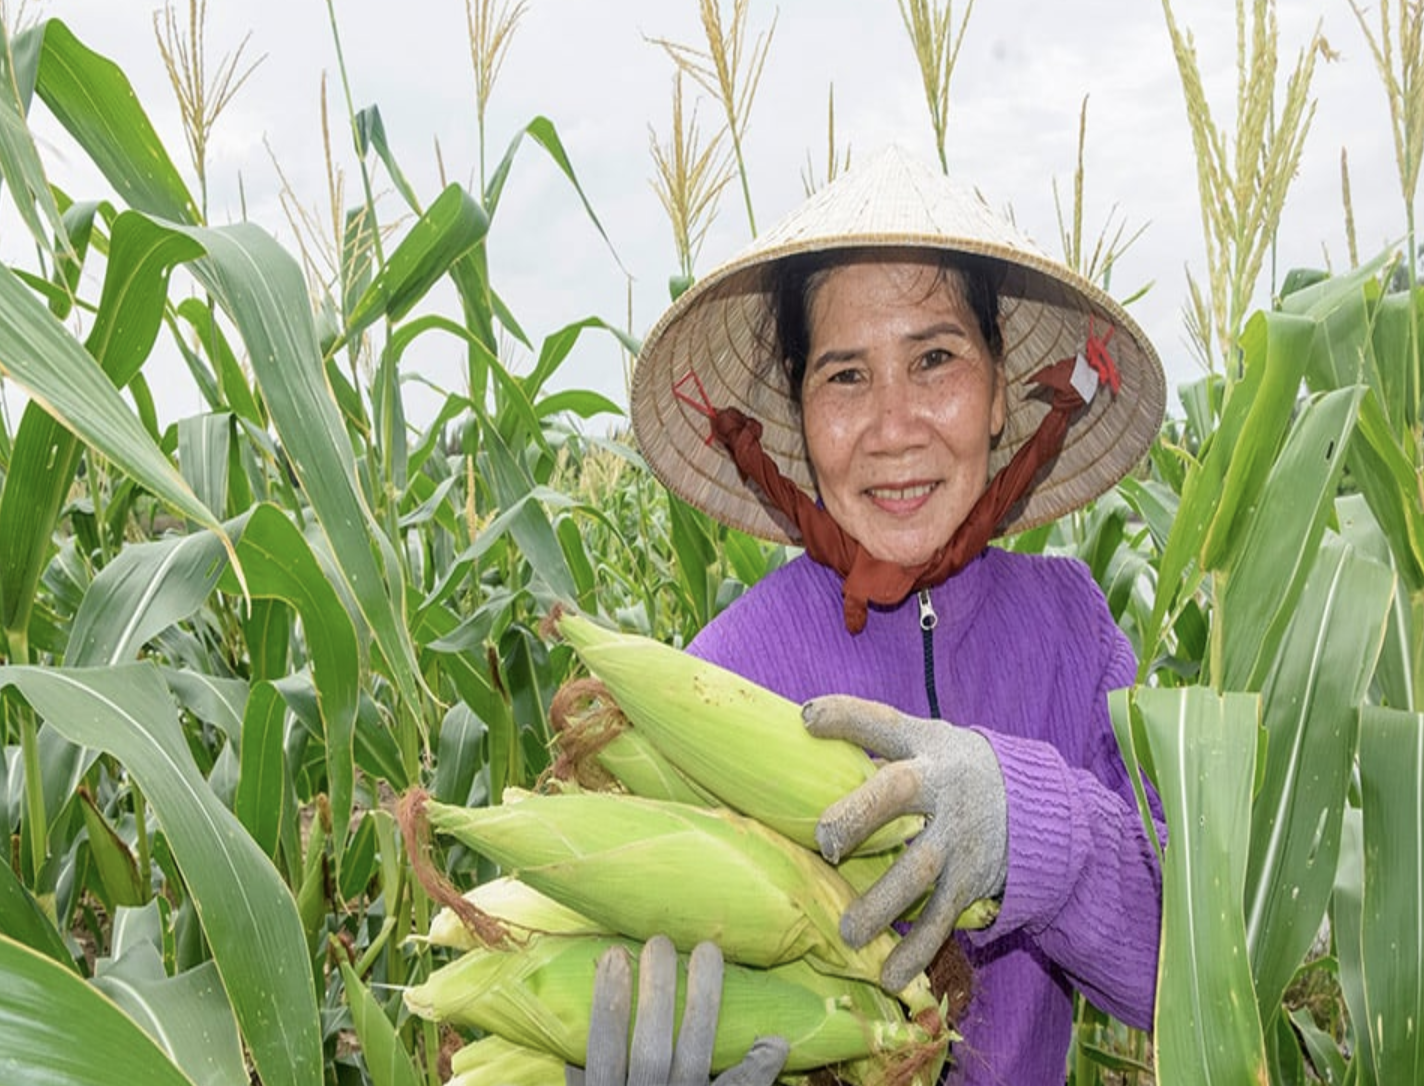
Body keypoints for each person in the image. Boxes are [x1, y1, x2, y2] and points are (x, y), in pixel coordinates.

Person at [579, 145, 1167, 1085]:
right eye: (845, 376)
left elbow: (1183, 967)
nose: (895, 428)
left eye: (934, 358)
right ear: (800, 419)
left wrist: (1031, 827)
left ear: (1000, 392)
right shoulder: (723, 672)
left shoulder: (1073, 632)